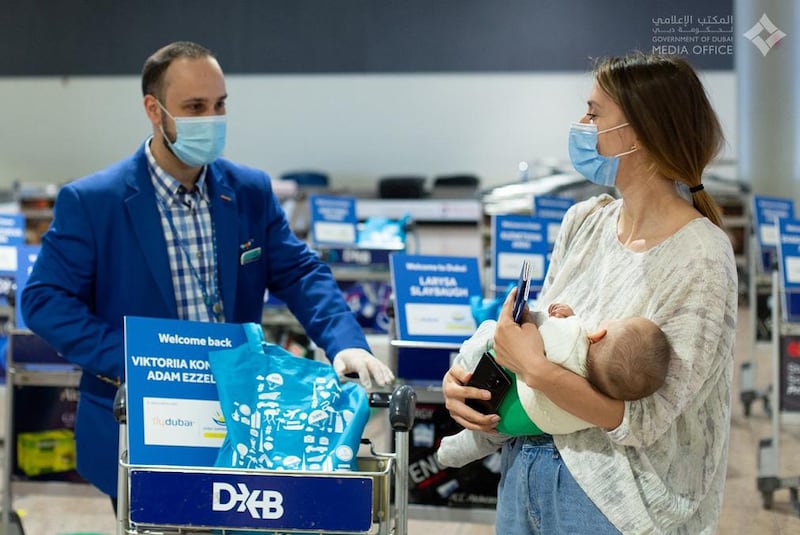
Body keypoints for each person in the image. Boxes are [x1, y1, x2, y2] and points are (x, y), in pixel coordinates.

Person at [19, 41, 394, 504]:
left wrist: (346, 343)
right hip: (144, 418)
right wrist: (135, 360)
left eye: (219, 105)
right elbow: (44, 301)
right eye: (195, 107)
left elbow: (299, 271)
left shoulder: (248, 190)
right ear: (154, 111)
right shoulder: (94, 201)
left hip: (240, 417)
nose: (211, 119)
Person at [442, 52, 737, 534]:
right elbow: (547, 336)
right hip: (524, 472)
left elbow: (645, 421)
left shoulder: (700, 257)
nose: (581, 124)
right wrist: (473, 389)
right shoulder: (584, 221)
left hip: (615, 503)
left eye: (594, 113)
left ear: (640, 132)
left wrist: (533, 368)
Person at [436, 303, 671, 468]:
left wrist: (544, 318)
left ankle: (464, 362)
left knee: (489, 328)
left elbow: (537, 329)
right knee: (493, 434)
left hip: (507, 392)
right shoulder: (595, 401)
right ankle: (456, 451)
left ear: (598, 335)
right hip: (519, 424)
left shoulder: (574, 335)